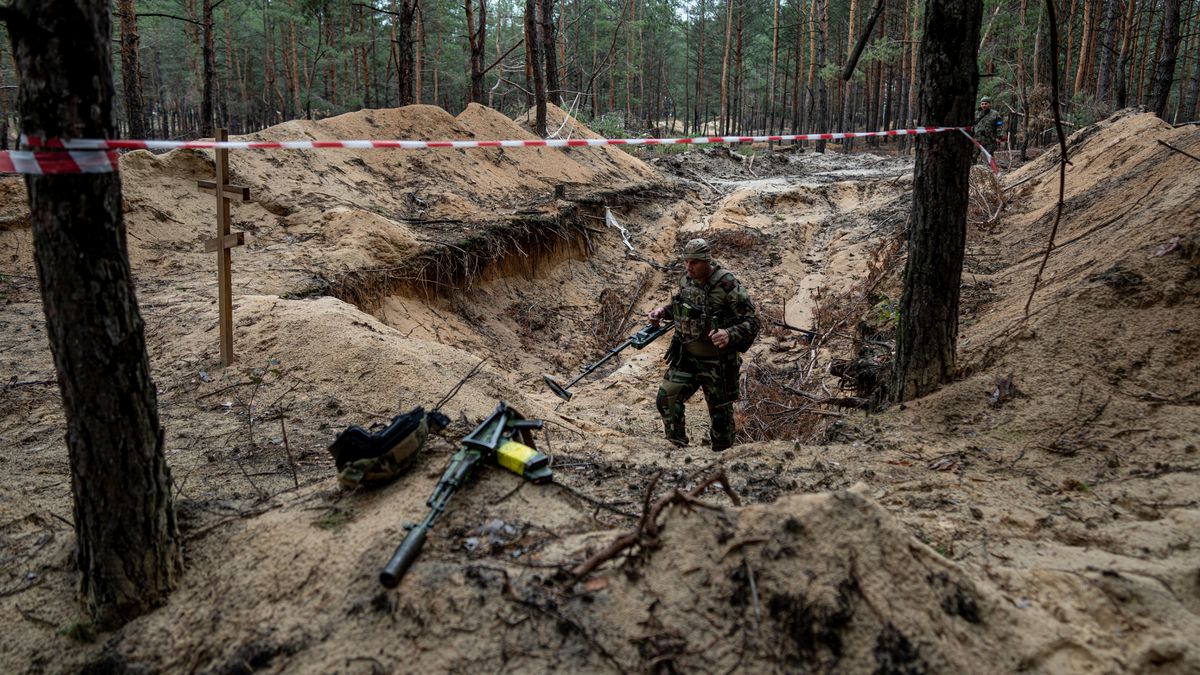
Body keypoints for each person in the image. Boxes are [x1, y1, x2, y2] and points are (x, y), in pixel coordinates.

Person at [648, 238, 760, 451]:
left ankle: (722, 457)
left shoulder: (727, 285)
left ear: (706, 261)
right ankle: (678, 449)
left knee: (720, 417)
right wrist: (663, 311)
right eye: (686, 262)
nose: (688, 267)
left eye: (694, 262)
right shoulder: (686, 280)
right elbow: (683, 306)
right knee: (666, 399)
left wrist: (729, 333)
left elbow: (753, 322)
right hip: (687, 356)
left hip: (718, 362)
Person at [973, 96, 1004, 161]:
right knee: (973, 155)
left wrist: (999, 136)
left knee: (989, 155)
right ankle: (973, 168)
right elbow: (972, 124)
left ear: (989, 104)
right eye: (982, 104)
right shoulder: (976, 113)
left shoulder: (995, 114)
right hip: (977, 138)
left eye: (986, 104)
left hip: (989, 139)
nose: (984, 105)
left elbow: (999, 125)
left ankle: (990, 169)